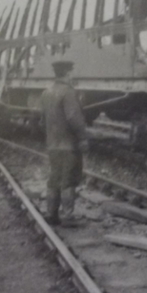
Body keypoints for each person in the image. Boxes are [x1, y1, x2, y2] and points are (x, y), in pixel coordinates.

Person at [40, 60, 89, 226]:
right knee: (68, 180)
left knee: (54, 178)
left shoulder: (46, 92)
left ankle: (51, 214)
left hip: (53, 145)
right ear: (67, 73)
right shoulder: (68, 92)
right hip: (69, 146)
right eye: (71, 72)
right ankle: (68, 217)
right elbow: (73, 117)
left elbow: (42, 119)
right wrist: (83, 137)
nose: (73, 75)